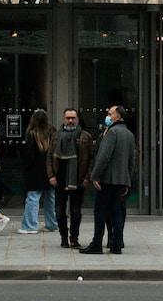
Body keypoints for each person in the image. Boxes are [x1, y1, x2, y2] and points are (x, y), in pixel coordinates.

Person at [82, 104, 135, 255]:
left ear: (118, 116)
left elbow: (103, 157)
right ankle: (116, 244)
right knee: (117, 211)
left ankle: (96, 244)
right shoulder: (129, 134)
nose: (108, 115)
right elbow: (132, 160)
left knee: (100, 211)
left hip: (107, 179)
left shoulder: (111, 133)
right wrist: (127, 180)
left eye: (110, 113)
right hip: (121, 180)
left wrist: (95, 175)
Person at [51, 108, 95, 249]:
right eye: (68, 118)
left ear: (77, 119)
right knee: (59, 212)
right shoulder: (56, 136)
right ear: (63, 119)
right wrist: (51, 175)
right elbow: (49, 157)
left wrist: (87, 177)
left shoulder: (85, 136)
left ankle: (74, 237)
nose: (70, 120)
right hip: (60, 178)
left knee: (76, 212)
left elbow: (90, 159)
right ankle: (63, 236)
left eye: (73, 118)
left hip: (78, 179)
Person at [19, 110, 56, 235]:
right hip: (50, 170)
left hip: (35, 171)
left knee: (33, 198)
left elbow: (29, 156)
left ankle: (30, 225)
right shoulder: (52, 132)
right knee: (50, 198)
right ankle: (52, 224)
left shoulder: (32, 134)